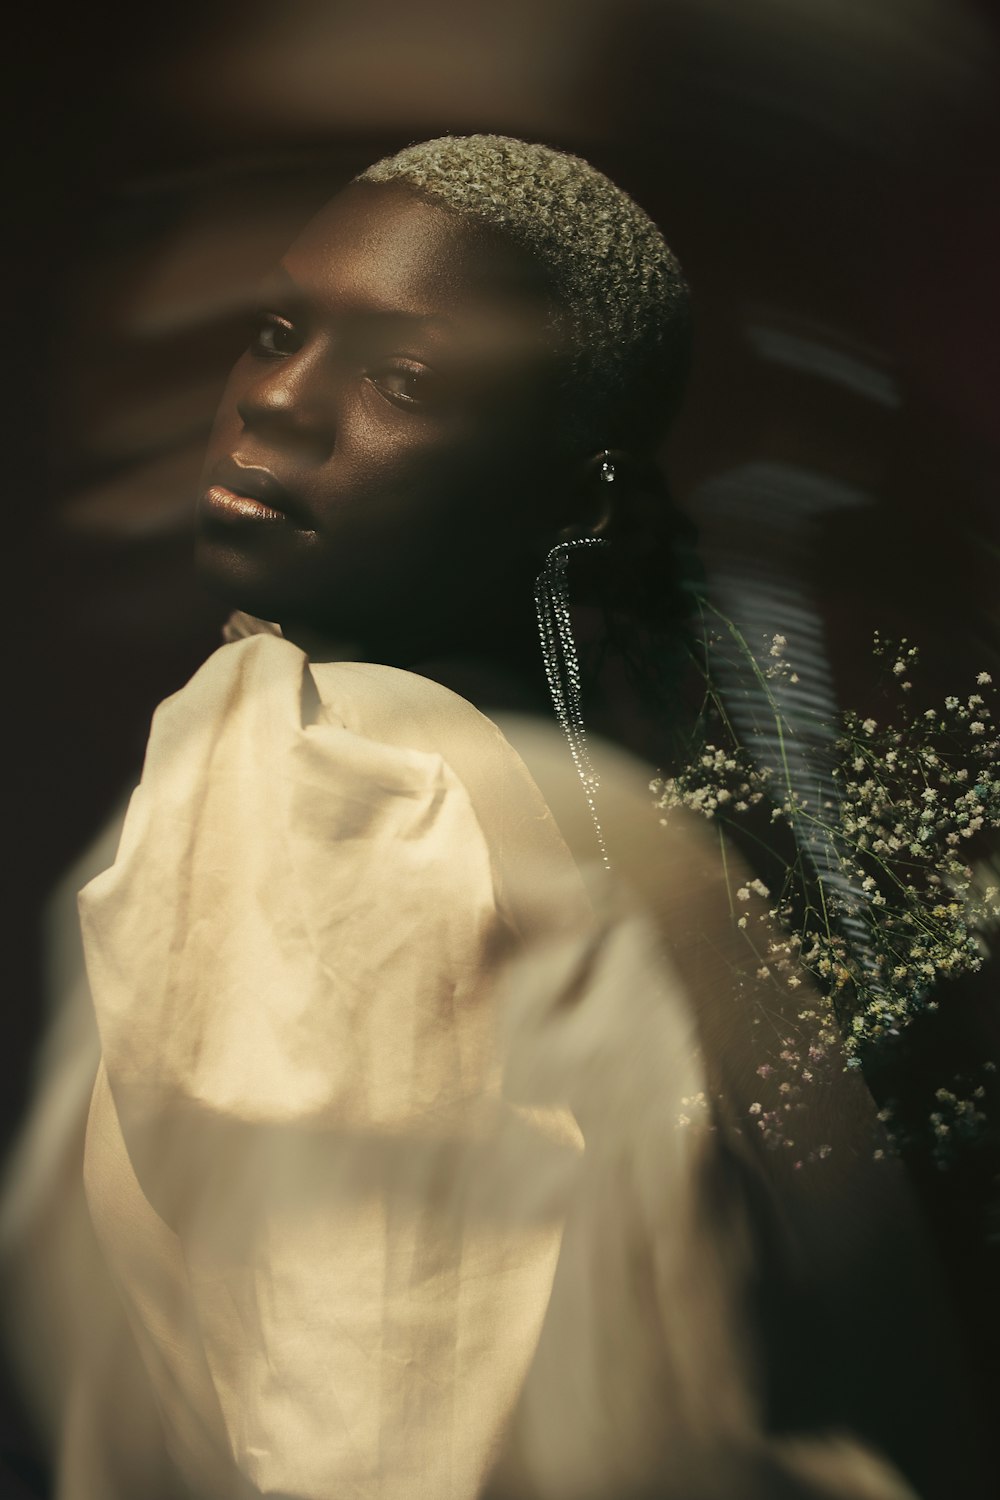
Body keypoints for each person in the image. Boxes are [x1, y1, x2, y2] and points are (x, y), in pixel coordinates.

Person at [0, 135, 980, 1500]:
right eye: (279, 330)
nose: (277, 400)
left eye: (402, 378)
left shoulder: (378, 800)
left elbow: (400, 1437)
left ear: (575, 499)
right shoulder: (353, 769)